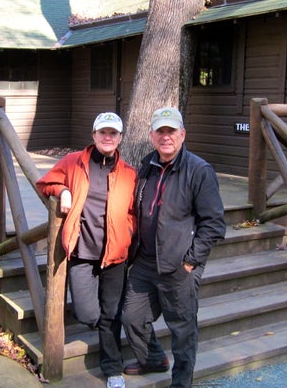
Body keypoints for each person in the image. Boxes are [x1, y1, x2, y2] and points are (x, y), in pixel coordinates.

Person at [121, 107, 226, 388]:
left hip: (179, 265)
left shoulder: (199, 170)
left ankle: (181, 383)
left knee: (182, 332)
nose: (166, 137)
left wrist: (191, 262)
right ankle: (153, 358)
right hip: (144, 262)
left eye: (171, 131)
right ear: (151, 135)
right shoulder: (147, 164)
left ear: (182, 134)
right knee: (132, 317)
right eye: (160, 131)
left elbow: (213, 224)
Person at [36, 112, 137, 388]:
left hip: (115, 256)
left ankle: (113, 369)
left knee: (112, 315)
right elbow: (44, 183)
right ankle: (103, 334)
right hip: (82, 252)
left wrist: (128, 231)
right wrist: (62, 191)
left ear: (120, 138)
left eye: (113, 133)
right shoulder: (74, 162)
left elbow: (133, 212)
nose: (108, 137)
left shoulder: (129, 173)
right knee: (87, 314)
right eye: (103, 132)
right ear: (93, 135)